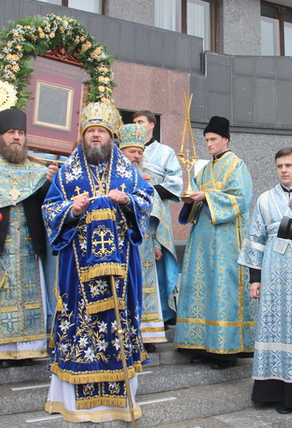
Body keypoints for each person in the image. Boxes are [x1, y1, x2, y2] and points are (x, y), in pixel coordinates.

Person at [42, 101, 153, 423]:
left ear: (110, 137)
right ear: (83, 135)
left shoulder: (128, 173)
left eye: (100, 131)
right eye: (90, 131)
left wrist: (129, 200)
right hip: (77, 275)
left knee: (117, 329)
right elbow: (49, 212)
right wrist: (71, 209)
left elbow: (146, 202)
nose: (95, 136)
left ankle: (121, 403)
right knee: (79, 326)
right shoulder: (66, 175)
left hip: (120, 272)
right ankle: (73, 404)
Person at [238, 147, 292, 413]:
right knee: (272, 326)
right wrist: (255, 279)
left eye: (289, 165)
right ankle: (272, 392)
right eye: (279, 166)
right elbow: (255, 239)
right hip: (274, 271)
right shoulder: (265, 199)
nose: (284, 170)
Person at [0, 108, 56, 363]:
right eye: (10, 133)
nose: (16, 137)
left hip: (28, 246)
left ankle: (28, 349)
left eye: (20, 133)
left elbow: (44, 201)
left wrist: (48, 182)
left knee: (30, 296)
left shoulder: (33, 168)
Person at [174, 116, 255, 369]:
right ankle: (204, 343)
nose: (208, 144)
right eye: (206, 140)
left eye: (213, 139)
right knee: (203, 288)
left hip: (225, 241)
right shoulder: (204, 170)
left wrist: (206, 196)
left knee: (223, 289)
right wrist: (190, 201)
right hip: (202, 242)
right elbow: (196, 196)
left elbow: (241, 199)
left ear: (225, 140)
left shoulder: (236, 166)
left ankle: (226, 350)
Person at [118, 122, 175, 349]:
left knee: (145, 289)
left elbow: (154, 212)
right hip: (120, 243)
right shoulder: (109, 175)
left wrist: (156, 243)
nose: (136, 156)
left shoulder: (145, 178)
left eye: (140, 152)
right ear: (121, 151)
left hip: (144, 245)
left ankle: (146, 335)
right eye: (132, 151)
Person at [132, 110, 182, 324]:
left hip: (158, 214)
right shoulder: (125, 151)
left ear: (152, 124)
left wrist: (149, 189)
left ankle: (164, 312)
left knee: (159, 262)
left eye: (141, 122)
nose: (137, 125)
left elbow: (176, 183)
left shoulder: (165, 152)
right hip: (133, 213)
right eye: (134, 123)